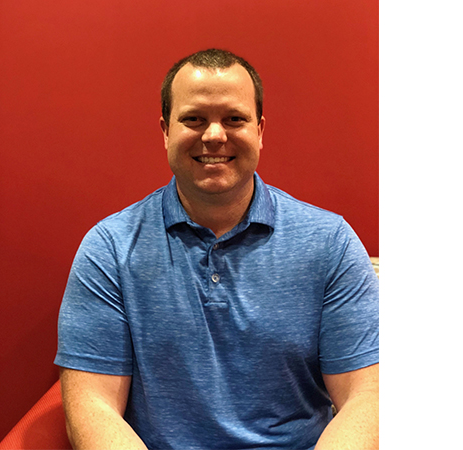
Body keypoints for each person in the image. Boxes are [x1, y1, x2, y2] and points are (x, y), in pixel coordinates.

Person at [54, 48, 379, 450]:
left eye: (234, 119)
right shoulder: (109, 249)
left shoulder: (331, 242)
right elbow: (92, 404)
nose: (213, 135)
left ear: (260, 130)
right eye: (193, 119)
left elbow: (367, 398)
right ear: (165, 130)